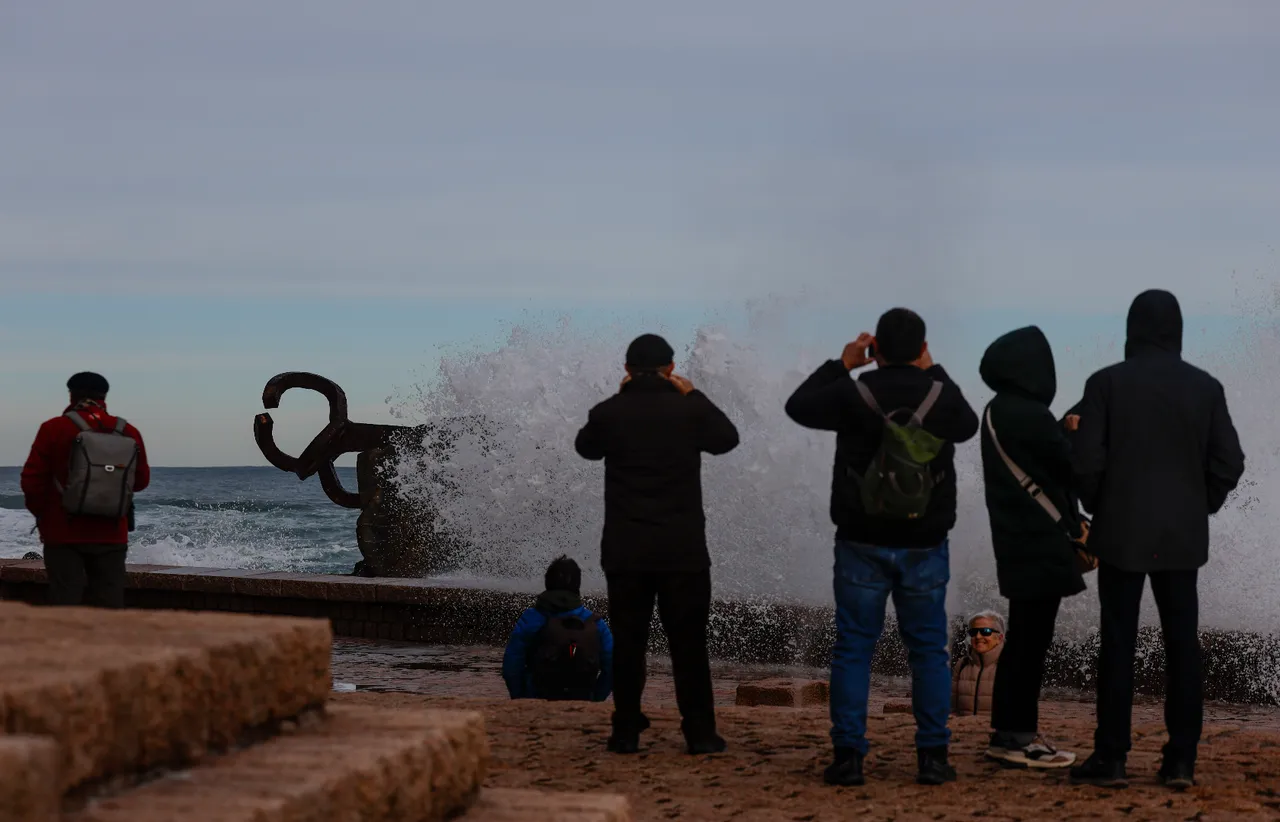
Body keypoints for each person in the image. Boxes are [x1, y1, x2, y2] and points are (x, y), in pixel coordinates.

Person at [785, 308, 979, 787]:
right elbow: (969, 423)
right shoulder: (939, 396)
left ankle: (849, 756)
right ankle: (932, 757)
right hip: (925, 544)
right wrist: (932, 369)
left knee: (853, 648)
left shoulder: (854, 393)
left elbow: (798, 406)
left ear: (875, 350)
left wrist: (843, 364)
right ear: (922, 348)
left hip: (861, 542)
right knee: (929, 652)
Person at [1068, 290, 1245, 790]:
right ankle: (1180, 761)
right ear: (1178, 330)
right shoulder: (1205, 388)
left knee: (1118, 643)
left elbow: (1084, 460)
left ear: (1132, 329)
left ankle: (1112, 758)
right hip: (1181, 536)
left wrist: (1102, 503)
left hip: (1120, 531)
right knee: (1182, 645)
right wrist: (1199, 504)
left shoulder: (1105, 383)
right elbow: (1229, 461)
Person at [574, 333, 740, 755]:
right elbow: (727, 438)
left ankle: (626, 731)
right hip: (682, 554)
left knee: (630, 643)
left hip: (626, 554)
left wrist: (618, 401)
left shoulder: (610, 412)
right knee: (689, 644)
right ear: (671, 369)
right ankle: (700, 733)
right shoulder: (688, 410)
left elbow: (585, 448)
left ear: (627, 370)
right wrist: (695, 394)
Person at [978, 325, 1089, 769]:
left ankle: (1010, 732)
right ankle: (1017, 738)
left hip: (1016, 542)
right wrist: (1074, 432)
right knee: (1029, 645)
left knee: (1023, 641)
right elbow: (1068, 466)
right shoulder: (1027, 412)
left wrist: (1061, 428)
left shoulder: (997, 410)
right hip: (1038, 548)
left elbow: (1040, 457)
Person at [20, 372, 151, 608]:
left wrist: (43, 517)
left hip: (63, 533)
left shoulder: (53, 429)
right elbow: (141, 481)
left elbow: (31, 481)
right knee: (109, 606)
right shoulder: (128, 431)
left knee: (65, 604)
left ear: (71, 394)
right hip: (112, 533)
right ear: (104, 396)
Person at [502, 555, 614, 702]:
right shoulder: (594, 622)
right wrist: (595, 698)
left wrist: (520, 698)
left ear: (547, 583)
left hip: (537, 696)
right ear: (577, 587)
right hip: (583, 698)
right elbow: (613, 667)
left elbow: (511, 667)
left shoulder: (531, 618)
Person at [951, 610, 1004, 717]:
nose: (978, 636)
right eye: (973, 632)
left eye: (986, 631)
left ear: (999, 638)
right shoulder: (962, 664)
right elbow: (952, 707)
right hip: (965, 732)